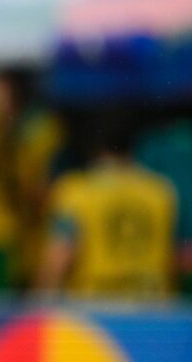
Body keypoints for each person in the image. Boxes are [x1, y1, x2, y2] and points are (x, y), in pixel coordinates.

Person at [37, 113, 177, 299]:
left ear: (93, 147)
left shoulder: (75, 191)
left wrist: (39, 307)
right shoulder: (161, 191)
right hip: (151, 311)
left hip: (95, 314)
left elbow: (59, 257)